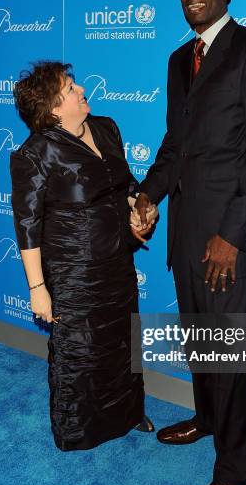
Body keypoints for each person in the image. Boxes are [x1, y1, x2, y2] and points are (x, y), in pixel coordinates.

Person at [135, 0, 246, 485]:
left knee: (229, 357)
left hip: (228, 240)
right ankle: (206, 417)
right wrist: (150, 195)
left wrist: (234, 234)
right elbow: (176, 146)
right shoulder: (179, 60)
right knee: (202, 343)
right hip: (185, 234)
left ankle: (235, 472)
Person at [10, 61, 155, 452]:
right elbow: (27, 224)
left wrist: (138, 207)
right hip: (74, 270)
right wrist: (38, 288)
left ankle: (128, 413)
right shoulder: (36, 153)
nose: (80, 90)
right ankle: (80, 430)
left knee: (123, 342)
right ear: (54, 108)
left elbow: (123, 182)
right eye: (70, 88)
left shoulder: (106, 128)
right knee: (81, 351)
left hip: (118, 262)